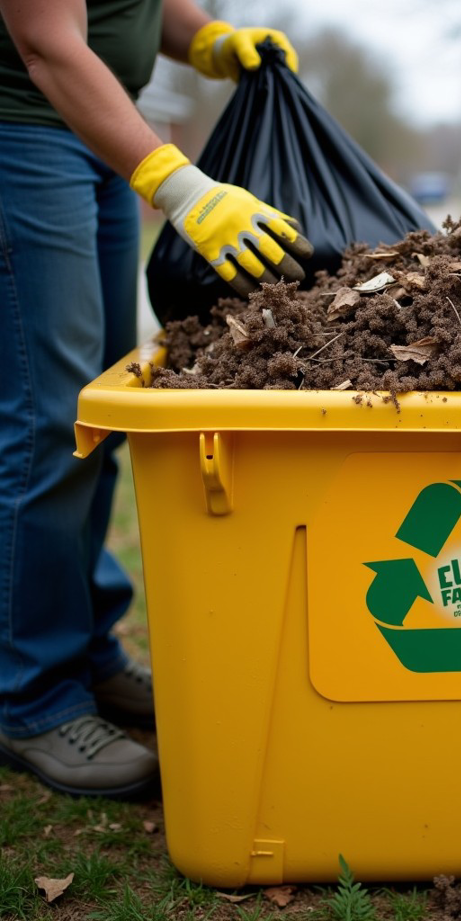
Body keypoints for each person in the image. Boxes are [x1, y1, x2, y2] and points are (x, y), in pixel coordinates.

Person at [0, 0, 312, 798]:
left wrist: (204, 37)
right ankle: (30, 696)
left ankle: (89, 652)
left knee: (98, 409)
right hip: (27, 131)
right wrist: (179, 185)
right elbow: (45, 40)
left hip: (95, 130)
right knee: (50, 419)